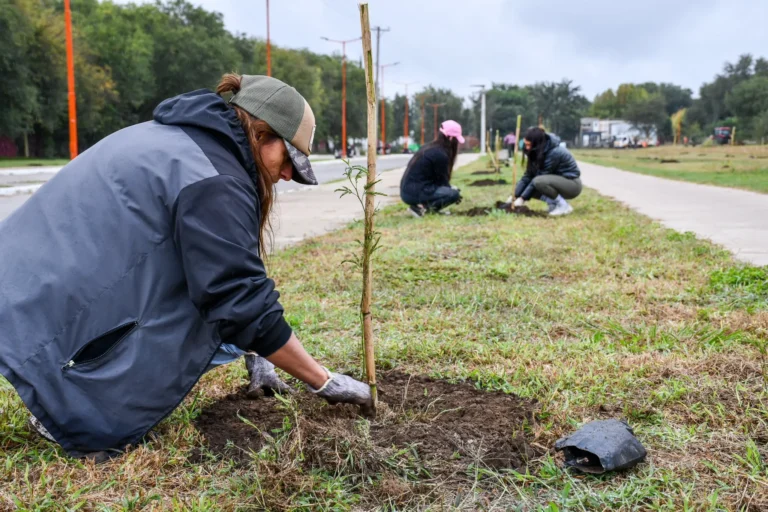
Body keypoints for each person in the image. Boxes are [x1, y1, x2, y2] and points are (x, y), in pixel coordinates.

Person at [0, 74, 372, 461]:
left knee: (207, 309)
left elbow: (226, 270)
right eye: (289, 160)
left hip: (24, 273)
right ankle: (64, 406)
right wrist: (323, 381)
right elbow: (237, 295)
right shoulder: (216, 179)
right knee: (197, 320)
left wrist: (257, 356)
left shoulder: (187, 141)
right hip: (46, 296)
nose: (287, 175)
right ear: (261, 133)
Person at [399, 120, 465, 217]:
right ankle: (422, 209)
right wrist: (452, 191)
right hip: (414, 192)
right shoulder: (440, 155)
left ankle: (421, 207)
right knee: (453, 194)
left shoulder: (429, 148)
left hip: (406, 191)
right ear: (450, 138)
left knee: (451, 192)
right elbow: (442, 182)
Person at [512, 127, 582, 216]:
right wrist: (514, 196)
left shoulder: (554, 152)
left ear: (537, 143)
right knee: (531, 185)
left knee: (538, 182)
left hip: (572, 184)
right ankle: (554, 204)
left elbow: (539, 177)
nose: (527, 147)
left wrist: (522, 198)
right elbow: (528, 176)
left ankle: (563, 206)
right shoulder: (537, 151)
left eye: (529, 145)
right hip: (557, 181)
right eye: (525, 144)